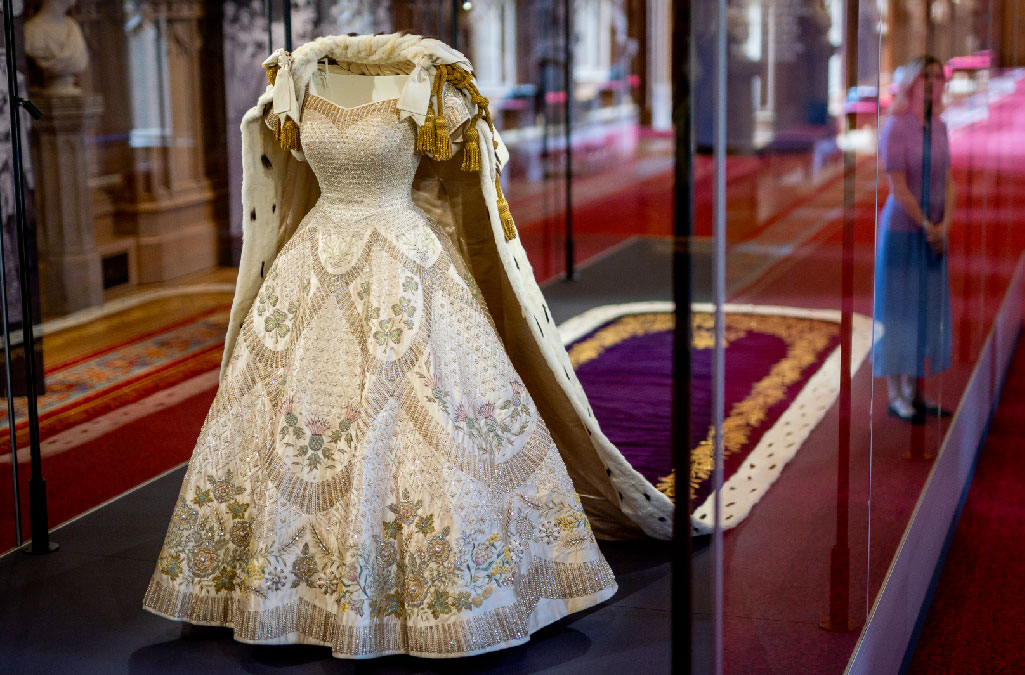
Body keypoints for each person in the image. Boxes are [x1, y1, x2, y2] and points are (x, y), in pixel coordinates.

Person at [141, 33, 684, 659]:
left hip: (402, 262)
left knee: (429, 417)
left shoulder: (435, 83)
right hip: (313, 262)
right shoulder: (297, 80)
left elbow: (469, 189)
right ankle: (282, 586)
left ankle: (454, 586)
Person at [873, 55, 955, 423]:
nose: (935, 83)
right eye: (927, 77)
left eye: (939, 77)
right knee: (898, 311)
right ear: (911, 84)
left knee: (924, 310)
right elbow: (899, 187)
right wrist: (926, 224)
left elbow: (949, 180)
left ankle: (916, 389)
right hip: (904, 229)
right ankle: (895, 393)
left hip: (934, 231)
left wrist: (944, 224)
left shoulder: (939, 126)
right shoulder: (896, 127)